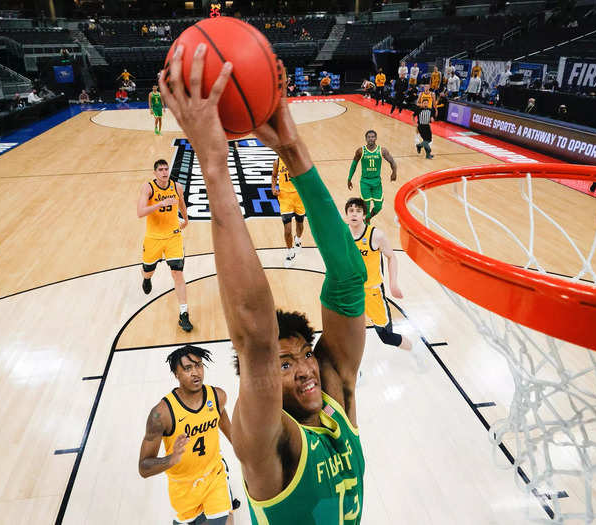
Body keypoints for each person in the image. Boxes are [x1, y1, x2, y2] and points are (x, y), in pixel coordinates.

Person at [160, 43, 366, 524]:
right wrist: (213, 162)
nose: (305, 370)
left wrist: (293, 150)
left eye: (305, 355)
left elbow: (349, 277)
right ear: (260, 382)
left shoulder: (338, 396)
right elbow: (255, 338)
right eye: (286, 363)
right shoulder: (266, 444)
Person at [139, 346, 234, 525]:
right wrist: (171, 459)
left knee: (223, 519)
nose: (196, 372)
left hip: (214, 476)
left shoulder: (217, 396)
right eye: (188, 368)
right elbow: (143, 468)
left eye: (198, 366)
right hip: (182, 488)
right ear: (176, 374)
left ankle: (228, 504)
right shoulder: (161, 414)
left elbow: (228, 428)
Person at [345, 198, 413, 351]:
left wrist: (393, 283)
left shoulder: (376, 235)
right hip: (350, 292)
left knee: (387, 337)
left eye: (358, 211)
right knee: (347, 332)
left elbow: (391, 257)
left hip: (372, 291)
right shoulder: (342, 234)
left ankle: (416, 352)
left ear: (364, 215)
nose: (354, 214)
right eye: (351, 210)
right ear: (346, 215)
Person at [136, 159, 193, 332]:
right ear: (155, 173)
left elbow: (181, 202)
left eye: (166, 169)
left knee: (177, 273)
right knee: (148, 269)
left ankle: (184, 313)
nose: (164, 172)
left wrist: (185, 217)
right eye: (160, 169)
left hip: (173, 236)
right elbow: (140, 213)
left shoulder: (176, 187)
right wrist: (160, 204)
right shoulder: (148, 187)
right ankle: (146, 279)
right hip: (153, 237)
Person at [348, 130, 397, 223]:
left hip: (377, 182)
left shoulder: (382, 150)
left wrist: (394, 172)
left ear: (376, 138)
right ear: (366, 139)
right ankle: (366, 223)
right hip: (365, 182)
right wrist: (349, 178)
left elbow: (392, 162)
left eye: (373, 137)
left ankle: (368, 218)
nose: (371, 139)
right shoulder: (360, 151)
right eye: (369, 137)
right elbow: (354, 165)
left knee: (378, 206)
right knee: (366, 206)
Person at [271, 156, 307, 267]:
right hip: (285, 197)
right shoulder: (277, 161)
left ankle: (298, 240)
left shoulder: (298, 160)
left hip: (299, 196)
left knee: (300, 224)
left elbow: (306, 176)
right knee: (287, 229)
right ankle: (290, 253)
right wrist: (273, 188)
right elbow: (274, 176)